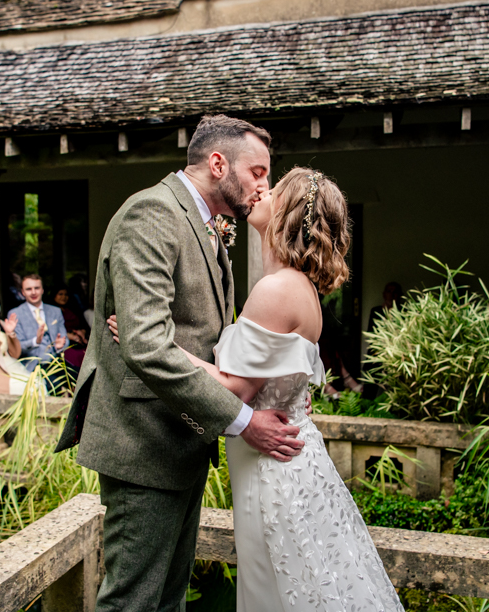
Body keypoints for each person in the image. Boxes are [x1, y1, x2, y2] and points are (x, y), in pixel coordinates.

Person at [105, 168, 403, 611]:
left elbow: (233, 389)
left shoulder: (278, 289)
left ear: (291, 213)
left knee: (275, 591)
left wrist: (154, 343)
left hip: (272, 472)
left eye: (275, 187)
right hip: (283, 461)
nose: (262, 189)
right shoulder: (296, 287)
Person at [55, 115, 306, 612]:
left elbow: (206, 335)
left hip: (183, 439)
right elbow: (147, 345)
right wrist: (242, 421)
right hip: (143, 442)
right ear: (218, 164)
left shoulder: (211, 226)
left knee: (168, 600)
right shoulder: (151, 213)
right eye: (257, 172)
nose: (264, 186)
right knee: (133, 602)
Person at [8, 274, 67, 371]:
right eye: (28, 289)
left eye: (37, 288)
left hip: (57, 365)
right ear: (23, 292)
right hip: (31, 367)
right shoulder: (15, 314)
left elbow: (65, 338)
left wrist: (60, 346)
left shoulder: (55, 311)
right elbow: (17, 347)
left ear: (42, 290)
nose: (33, 292)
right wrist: (36, 341)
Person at [52, 285, 87, 368]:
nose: (64, 297)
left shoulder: (73, 308)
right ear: (54, 295)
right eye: (60, 294)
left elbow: (84, 325)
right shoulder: (51, 312)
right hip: (64, 343)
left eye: (66, 294)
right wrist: (68, 336)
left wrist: (82, 332)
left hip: (80, 341)